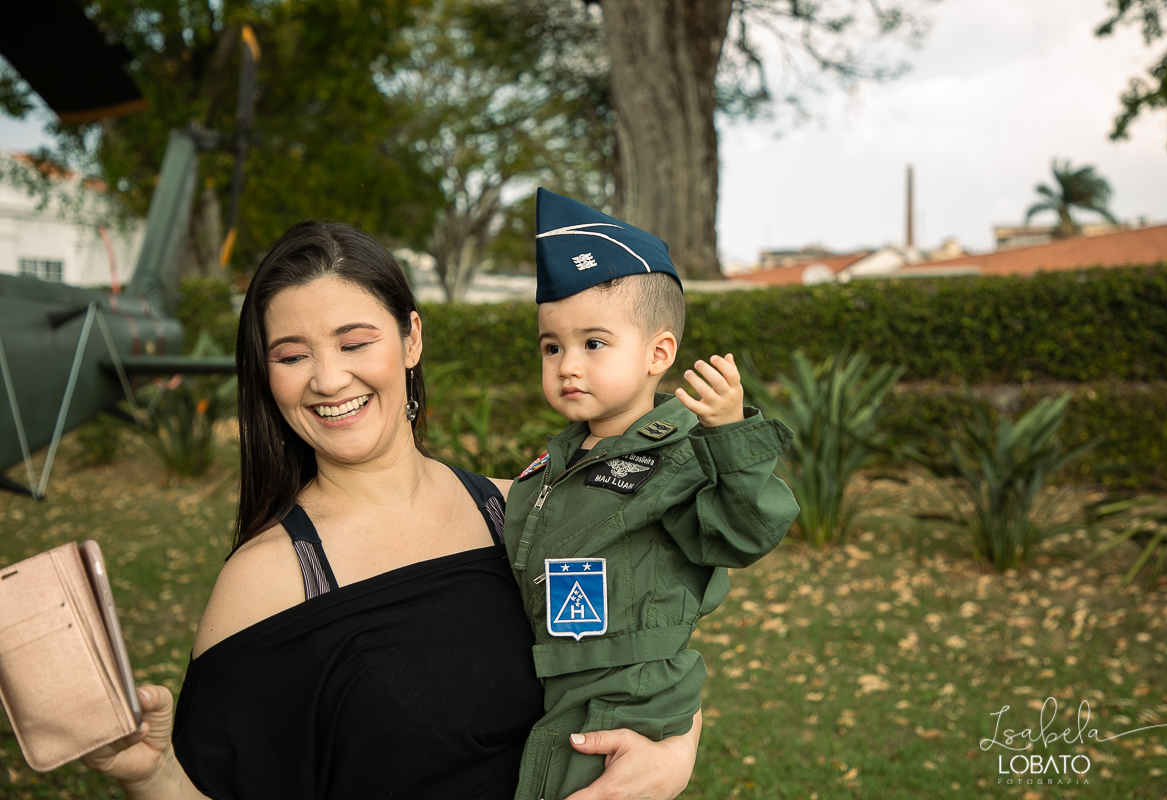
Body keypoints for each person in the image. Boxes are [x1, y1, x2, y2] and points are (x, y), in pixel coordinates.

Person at [81, 220, 702, 800]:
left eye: (354, 342)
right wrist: (155, 773)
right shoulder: (263, 580)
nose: (327, 379)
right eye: (292, 356)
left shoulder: (524, 511)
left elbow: (653, 635)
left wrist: (676, 753)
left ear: (411, 340)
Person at [505, 190, 800, 800]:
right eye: (551, 346)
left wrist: (730, 436)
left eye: (593, 343)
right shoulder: (555, 459)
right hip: (559, 689)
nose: (567, 365)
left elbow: (745, 531)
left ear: (657, 353)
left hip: (627, 700)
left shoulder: (682, 453)